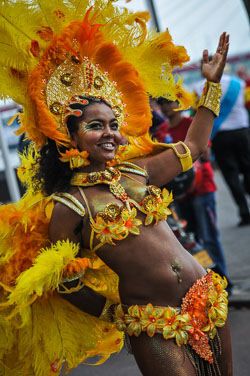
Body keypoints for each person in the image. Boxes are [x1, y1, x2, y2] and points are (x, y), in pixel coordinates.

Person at [0, 1, 232, 375]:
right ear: (69, 135)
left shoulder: (138, 172)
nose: (109, 133)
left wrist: (212, 84)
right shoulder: (69, 206)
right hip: (152, 322)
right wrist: (114, 314)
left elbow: (194, 147)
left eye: (112, 123)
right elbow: (66, 279)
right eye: (95, 126)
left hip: (208, 298)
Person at [154, 99, 233, 294]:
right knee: (192, 240)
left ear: (180, 102)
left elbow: (206, 155)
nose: (165, 107)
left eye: (169, 102)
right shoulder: (161, 131)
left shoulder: (192, 124)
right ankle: (210, 283)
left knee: (209, 237)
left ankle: (224, 283)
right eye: (161, 103)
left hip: (202, 189)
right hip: (178, 196)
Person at [194, 68, 250, 227]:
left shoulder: (199, 88)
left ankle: (244, 211)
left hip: (219, 136)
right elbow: (247, 103)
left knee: (230, 175)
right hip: (242, 132)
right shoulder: (238, 83)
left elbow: (197, 112)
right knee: (248, 168)